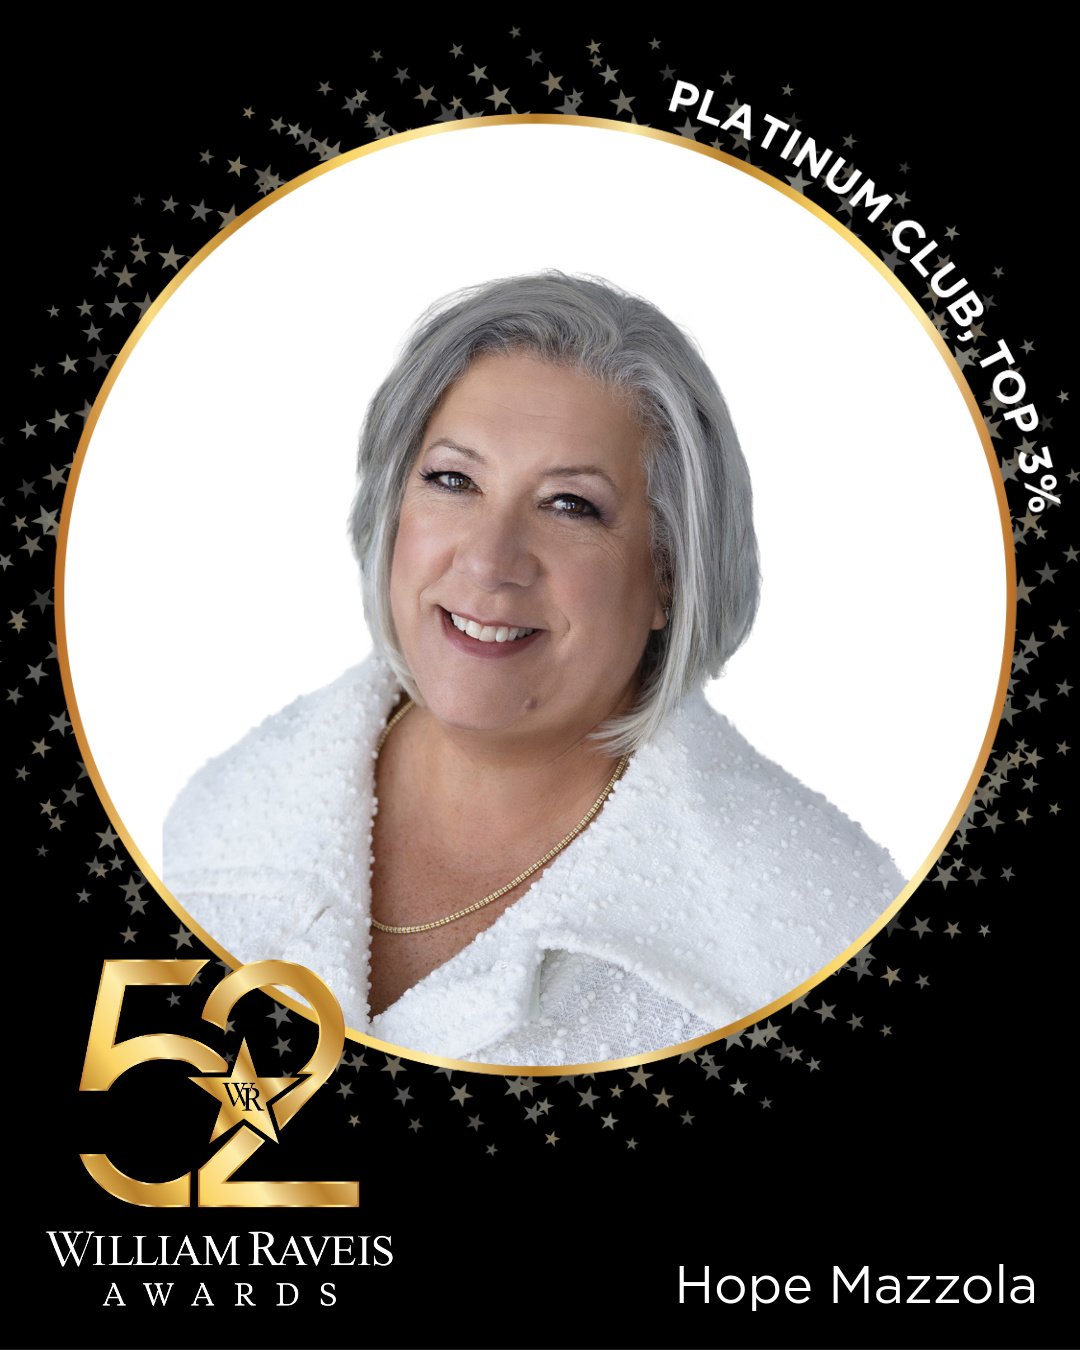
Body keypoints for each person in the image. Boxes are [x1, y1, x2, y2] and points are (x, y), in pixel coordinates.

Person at [164, 273, 903, 1067]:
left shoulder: (820, 930)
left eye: (569, 505)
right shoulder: (219, 821)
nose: (489, 560)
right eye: (454, 480)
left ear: (668, 575)